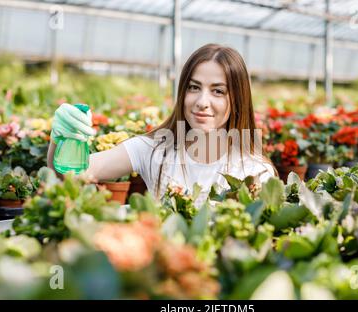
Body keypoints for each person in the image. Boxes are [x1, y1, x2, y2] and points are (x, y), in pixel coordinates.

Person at [47, 43, 277, 207]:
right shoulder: (156, 149)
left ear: (238, 99)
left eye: (218, 91)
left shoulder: (254, 171)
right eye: (194, 87)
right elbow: (75, 174)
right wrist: (61, 139)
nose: (201, 102)